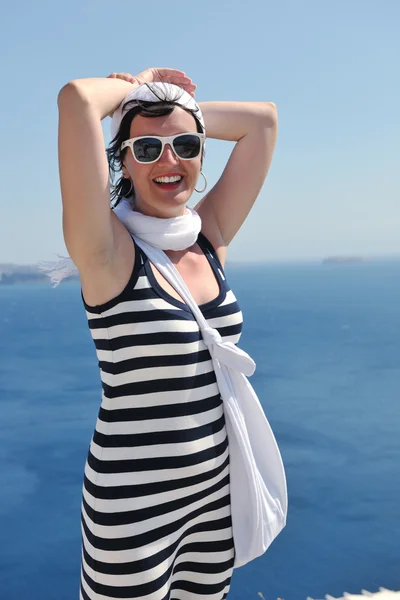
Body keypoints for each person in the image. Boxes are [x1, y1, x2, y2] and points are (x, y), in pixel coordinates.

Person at [57, 67, 279, 600]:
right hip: (133, 510)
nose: (169, 159)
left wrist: (176, 103)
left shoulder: (209, 238)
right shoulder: (107, 254)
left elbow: (263, 123)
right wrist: (138, 87)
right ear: (123, 160)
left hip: (216, 498)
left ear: (201, 153)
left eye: (184, 144)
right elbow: (77, 101)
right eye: (148, 148)